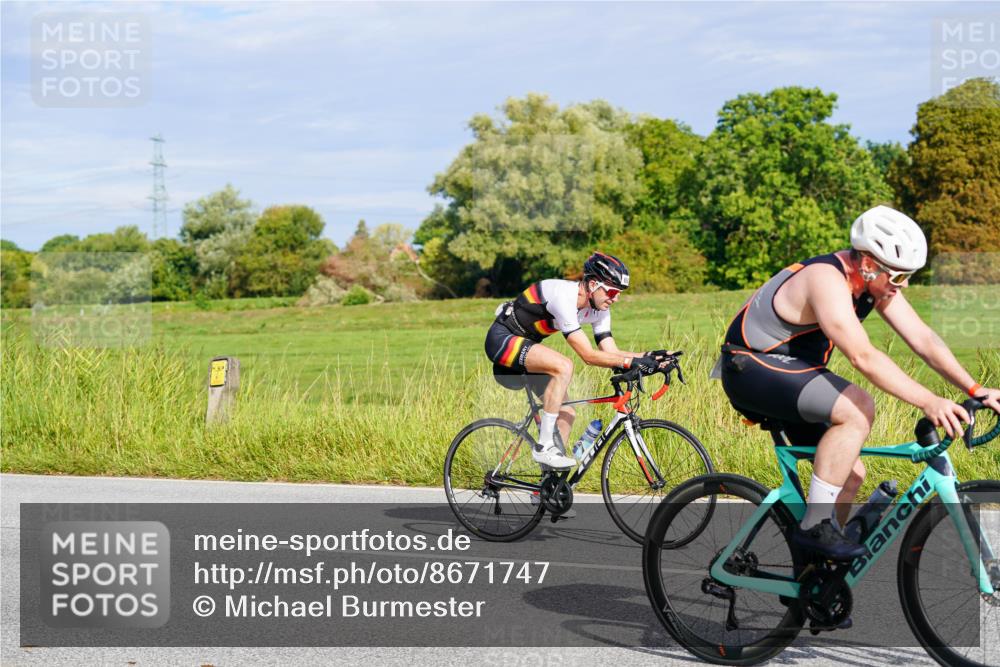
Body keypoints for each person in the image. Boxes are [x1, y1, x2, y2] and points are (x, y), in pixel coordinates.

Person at [716, 205, 1000, 559]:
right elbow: (862, 356)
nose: (904, 284)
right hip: (749, 367)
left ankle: (815, 580)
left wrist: (973, 388)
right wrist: (930, 401)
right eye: (898, 277)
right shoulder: (825, 279)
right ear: (867, 263)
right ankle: (814, 528)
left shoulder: (873, 286)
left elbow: (923, 339)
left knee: (850, 475)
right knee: (858, 408)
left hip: (789, 372)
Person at [485, 252, 667, 469]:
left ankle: (548, 485)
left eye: (619, 293)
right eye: (611, 291)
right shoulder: (564, 297)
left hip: (528, 347)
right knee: (564, 366)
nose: (615, 298)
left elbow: (611, 351)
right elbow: (588, 356)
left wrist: (651, 358)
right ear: (592, 284)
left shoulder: (599, 310)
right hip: (503, 339)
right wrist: (631, 363)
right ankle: (544, 448)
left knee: (567, 412)